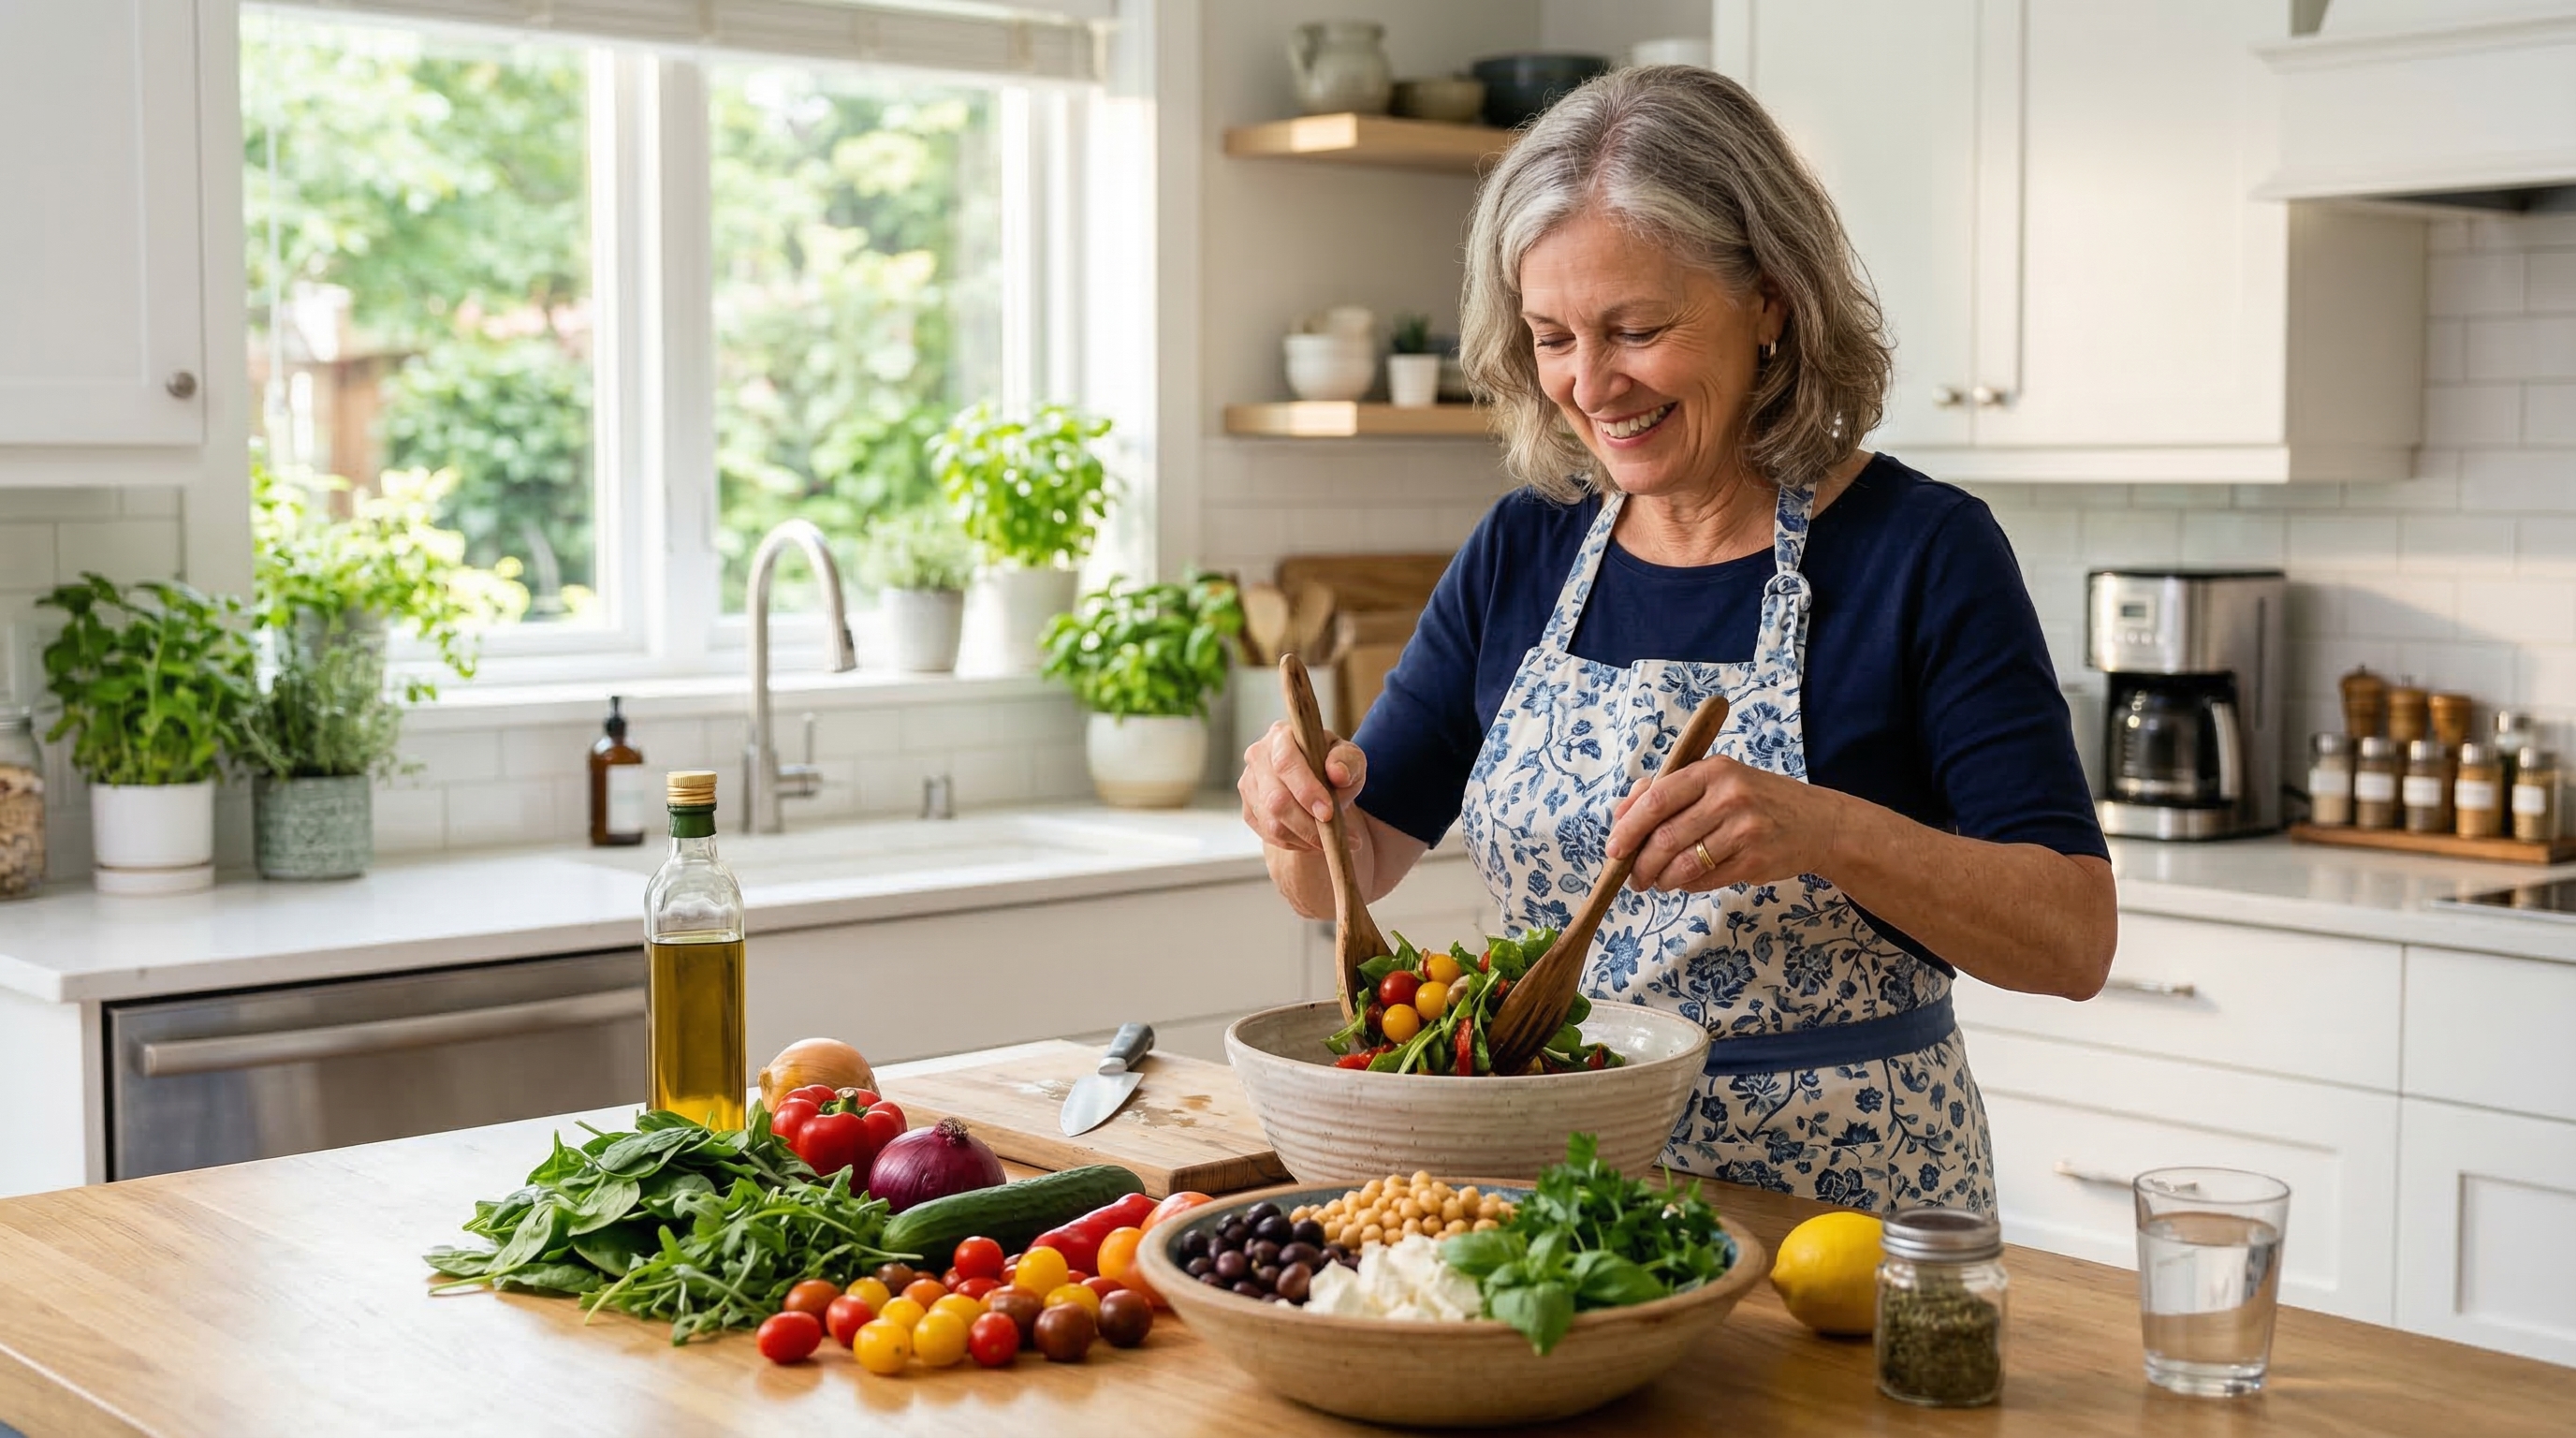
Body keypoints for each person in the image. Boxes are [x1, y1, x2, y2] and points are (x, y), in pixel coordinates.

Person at [1236, 66, 2115, 1213]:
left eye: (1636, 329)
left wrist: (1824, 827)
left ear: (1770, 299)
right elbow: (1341, 877)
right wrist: (1294, 807)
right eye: (1551, 337)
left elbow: (2071, 939)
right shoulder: (1524, 549)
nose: (1590, 386)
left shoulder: (1921, 552)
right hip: (1563, 1194)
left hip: (1844, 1212)